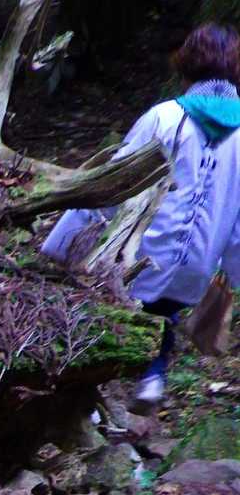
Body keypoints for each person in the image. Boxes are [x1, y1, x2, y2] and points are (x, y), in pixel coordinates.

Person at [42, 23, 240, 404]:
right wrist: (233, 271)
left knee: (109, 305)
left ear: (188, 64)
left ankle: (90, 391)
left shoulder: (164, 118)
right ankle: (153, 374)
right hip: (197, 267)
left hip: (142, 257)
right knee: (164, 310)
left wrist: (61, 243)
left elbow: (113, 184)